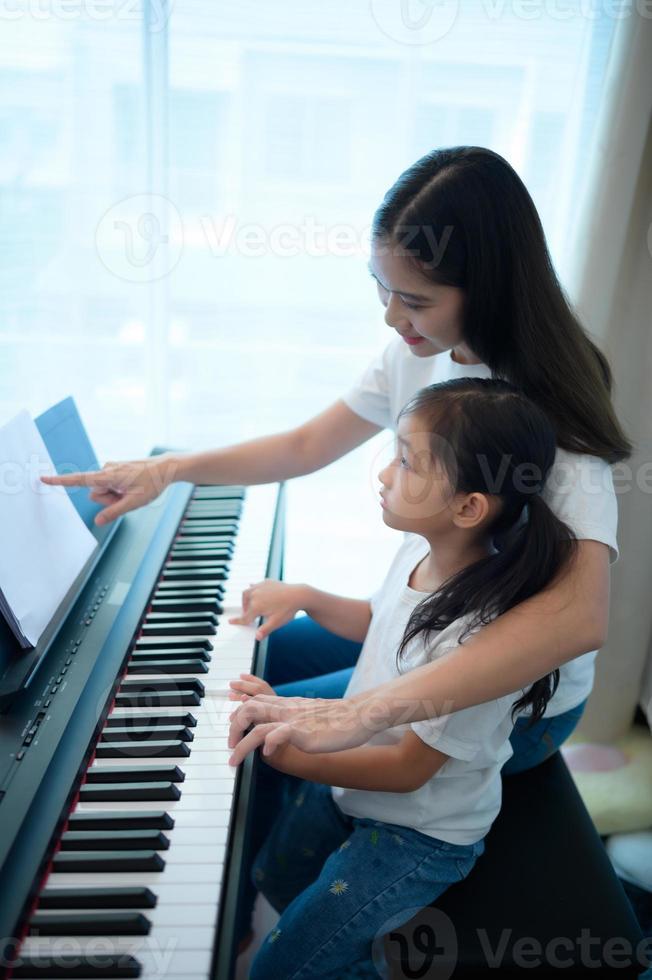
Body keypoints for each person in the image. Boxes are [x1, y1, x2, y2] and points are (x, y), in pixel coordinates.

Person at [41, 145, 630, 768]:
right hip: (421, 636)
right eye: (383, 289)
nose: (391, 315)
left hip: (504, 701)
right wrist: (170, 469)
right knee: (231, 657)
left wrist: (361, 712)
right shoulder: (421, 348)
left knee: (239, 731)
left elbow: (577, 618)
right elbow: (306, 445)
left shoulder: (544, 414)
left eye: (417, 300)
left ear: (488, 290)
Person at [233, 378, 577, 978]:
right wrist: (310, 597)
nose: (384, 476)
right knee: (274, 873)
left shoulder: (480, 639)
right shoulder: (420, 551)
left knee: (281, 966)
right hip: (359, 779)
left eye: (405, 462)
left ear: (469, 507)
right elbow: (377, 620)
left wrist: (294, 758)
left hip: (415, 834)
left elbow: (409, 769)